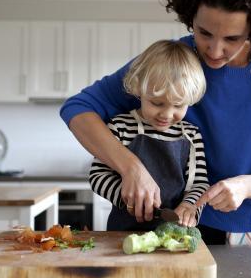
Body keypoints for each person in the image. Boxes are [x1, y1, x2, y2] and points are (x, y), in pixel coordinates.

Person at [60, 0, 251, 245]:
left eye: (232, 38)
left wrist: (246, 186)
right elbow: (79, 109)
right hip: (175, 226)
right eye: (204, 32)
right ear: (190, 17)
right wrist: (130, 167)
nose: (214, 50)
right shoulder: (170, 62)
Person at [88, 40, 209, 231]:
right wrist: (127, 198)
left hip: (173, 233)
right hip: (122, 232)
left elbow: (199, 183)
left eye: (178, 105)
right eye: (157, 103)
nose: (167, 114)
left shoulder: (191, 135)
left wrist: (189, 206)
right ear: (138, 89)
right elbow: (97, 175)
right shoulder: (120, 126)